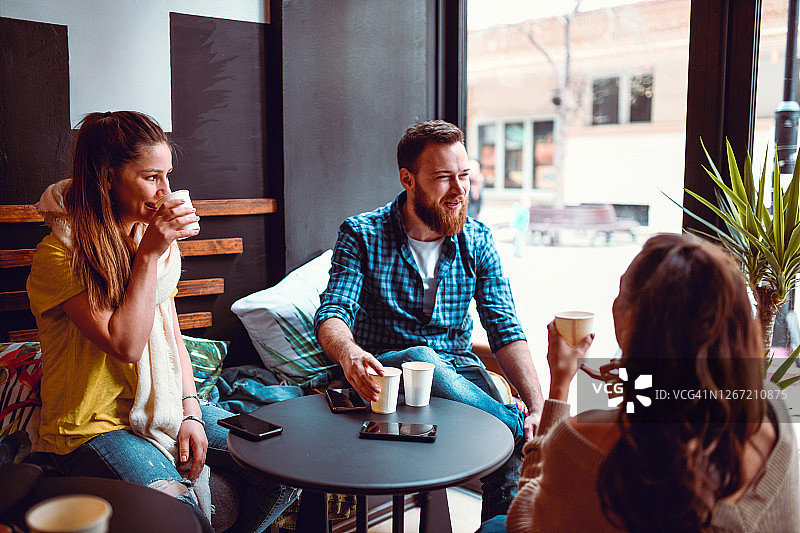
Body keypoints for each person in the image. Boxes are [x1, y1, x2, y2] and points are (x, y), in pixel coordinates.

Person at [26, 111, 299, 533]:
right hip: (89, 426)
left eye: (168, 175)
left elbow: (172, 340)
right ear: (107, 178)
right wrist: (150, 254)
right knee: (178, 515)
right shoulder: (61, 255)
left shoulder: (153, 243)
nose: (166, 191)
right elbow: (126, 345)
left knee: (284, 468)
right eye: (152, 177)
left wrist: (190, 411)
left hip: (165, 405)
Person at [478, 233, 799, 533]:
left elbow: (526, 519)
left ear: (626, 321)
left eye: (620, 293)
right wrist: (641, 384)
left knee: (495, 524)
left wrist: (559, 386)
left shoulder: (581, 443)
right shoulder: (773, 414)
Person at [314, 119, 544, 520]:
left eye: (465, 177)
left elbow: (505, 329)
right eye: (443, 178)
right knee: (422, 354)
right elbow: (333, 313)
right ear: (408, 179)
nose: (459, 190)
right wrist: (350, 355)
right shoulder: (362, 234)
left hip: (460, 378)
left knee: (510, 473)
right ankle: (506, 421)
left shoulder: (479, 240)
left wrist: (539, 407)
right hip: (386, 380)